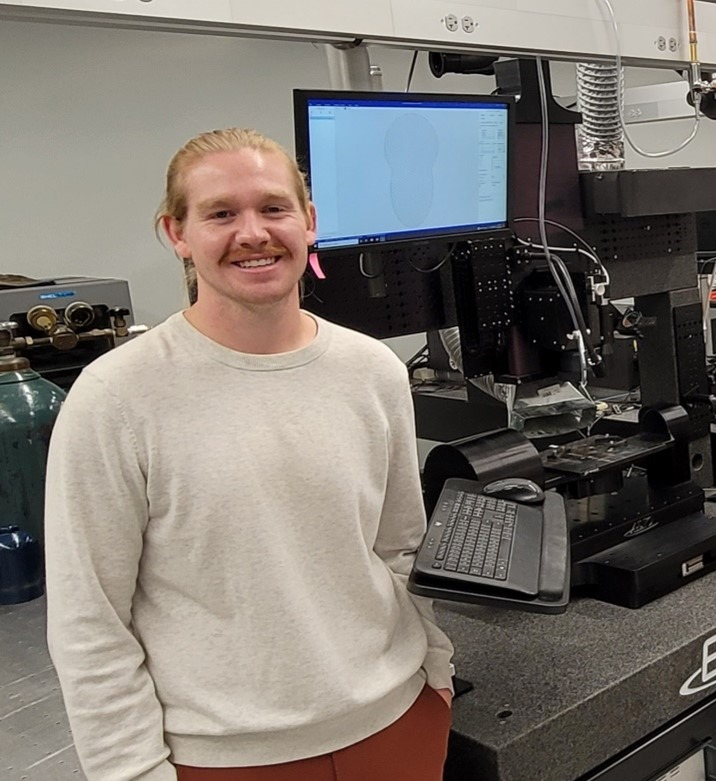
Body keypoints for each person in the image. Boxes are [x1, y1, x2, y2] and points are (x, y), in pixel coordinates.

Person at [45, 128, 454, 781]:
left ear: (309, 222)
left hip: (396, 723)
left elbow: (399, 546)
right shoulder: (116, 398)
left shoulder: (371, 370)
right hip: (224, 757)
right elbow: (89, 618)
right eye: (220, 214)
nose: (253, 232)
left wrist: (435, 668)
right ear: (176, 233)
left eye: (272, 208)